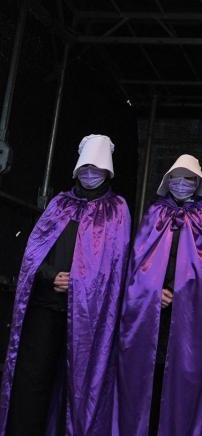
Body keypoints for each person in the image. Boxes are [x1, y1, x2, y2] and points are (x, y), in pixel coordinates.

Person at [0, 134, 130, 436]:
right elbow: (34, 254)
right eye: (85, 168)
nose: (90, 174)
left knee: (79, 382)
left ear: (107, 171)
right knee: (34, 378)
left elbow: (115, 264)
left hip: (88, 314)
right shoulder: (60, 204)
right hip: (47, 306)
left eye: (96, 169)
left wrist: (82, 282)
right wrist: (50, 276)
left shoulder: (116, 210)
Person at [117, 154, 202, 436]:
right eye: (176, 178)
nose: (182, 184)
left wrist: (176, 292)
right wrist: (153, 291)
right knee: (147, 376)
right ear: (167, 181)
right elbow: (138, 261)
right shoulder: (155, 214)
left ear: (197, 183)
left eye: (189, 179)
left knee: (178, 376)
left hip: (185, 315)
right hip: (149, 313)